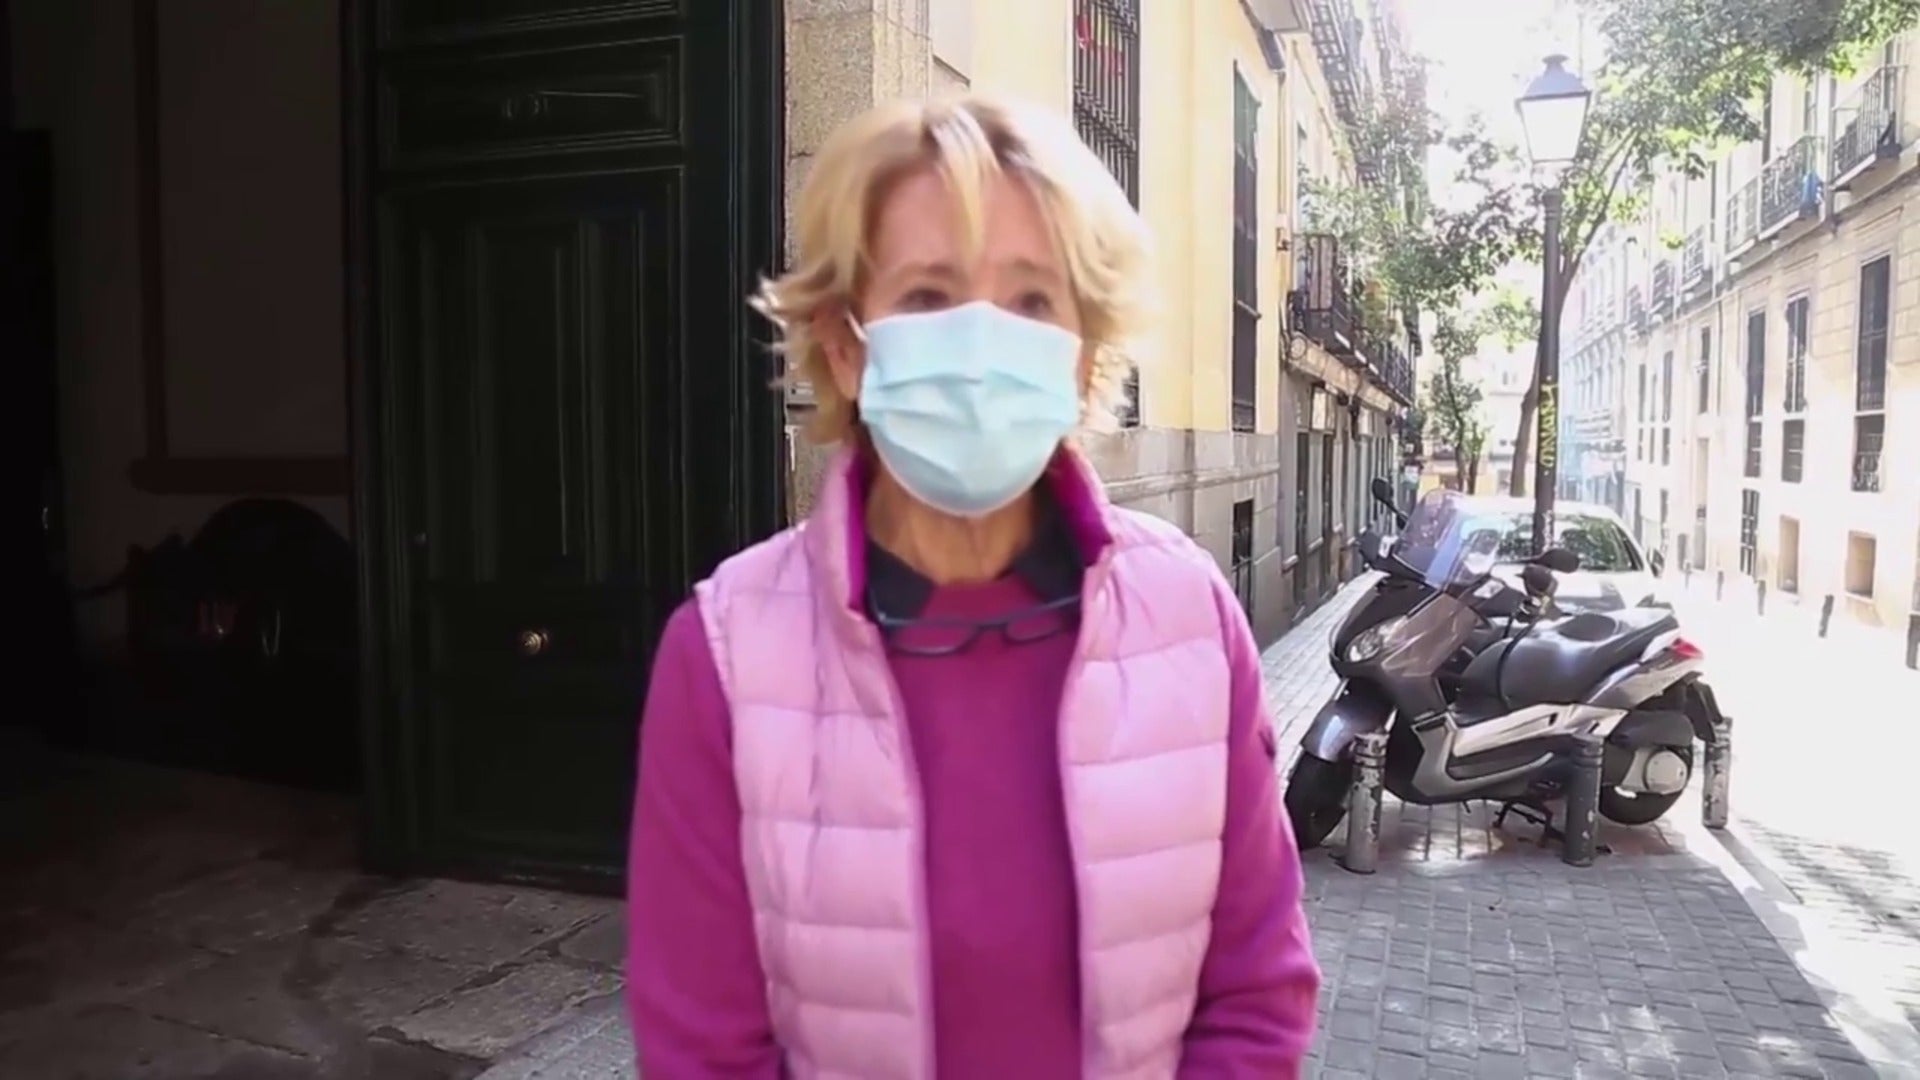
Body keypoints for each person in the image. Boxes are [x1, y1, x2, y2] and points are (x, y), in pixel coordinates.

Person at [625, 93, 1321, 1079]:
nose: (982, 346)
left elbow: (1255, 990)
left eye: (1032, 300)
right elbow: (703, 1047)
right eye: (927, 297)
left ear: (1084, 355)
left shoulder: (1190, 618)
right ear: (844, 345)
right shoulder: (725, 655)